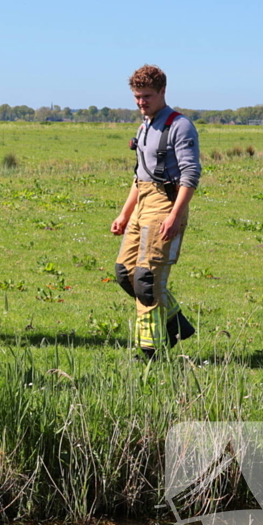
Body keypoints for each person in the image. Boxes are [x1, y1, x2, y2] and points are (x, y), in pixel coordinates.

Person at [111, 65, 201, 359]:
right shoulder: (144, 126)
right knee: (124, 273)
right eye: (137, 97)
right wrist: (124, 214)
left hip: (166, 204)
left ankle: (152, 348)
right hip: (143, 203)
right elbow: (140, 177)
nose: (141, 102)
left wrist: (175, 215)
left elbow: (190, 174)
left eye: (147, 96)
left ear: (163, 91)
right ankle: (176, 323)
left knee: (146, 279)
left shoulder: (180, 126)